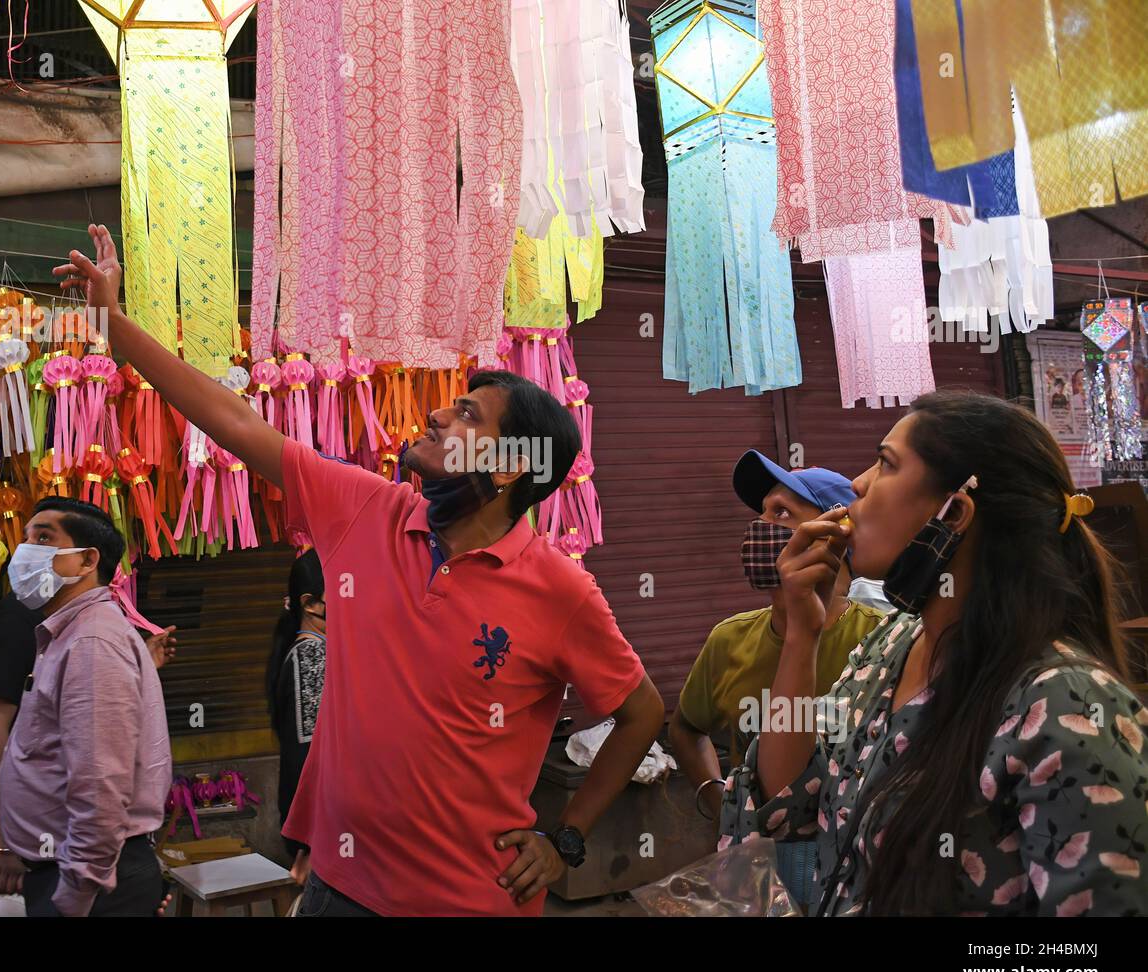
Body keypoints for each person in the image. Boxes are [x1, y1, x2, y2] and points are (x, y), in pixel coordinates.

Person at [58, 224, 665, 917]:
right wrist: (116, 324)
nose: (436, 414)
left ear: (506, 466)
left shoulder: (561, 590)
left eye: (466, 415)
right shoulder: (368, 510)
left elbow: (642, 710)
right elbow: (235, 420)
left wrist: (566, 838)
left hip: (466, 903)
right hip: (336, 891)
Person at [720, 390, 1148, 915]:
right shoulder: (889, 646)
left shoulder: (1069, 708)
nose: (856, 485)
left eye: (885, 463)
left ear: (954, 512)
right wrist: (801, 637)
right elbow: (788, 806)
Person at [668, 453, 885, 819]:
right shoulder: (728, 640)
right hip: (758, 863)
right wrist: (716, 797)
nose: (760, 525)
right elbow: (686, 729)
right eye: (762, 513)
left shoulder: (882, 639)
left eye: (781, 513)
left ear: (836, 531)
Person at [0, 497, 172, 917]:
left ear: (87, 560)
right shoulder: (72, 635)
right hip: (76, 875)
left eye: (43, 538)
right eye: (26, 539)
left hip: (85, 885)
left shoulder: (91, 642)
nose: (25, 553)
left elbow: (100, 784)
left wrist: (77, 895)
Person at [0, 593, 176, 899]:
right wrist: (6, 840)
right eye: (36, 540)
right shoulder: (16, 622)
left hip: (78, 834)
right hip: (28, 838)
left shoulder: (90, 624)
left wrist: (142, 663)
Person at [264, 548, 326, 886]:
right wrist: (310, 840)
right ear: (310, 603)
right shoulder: (311, 655)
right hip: (320, 832)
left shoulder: (317, 649)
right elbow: (308, 757)